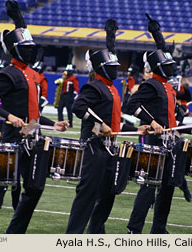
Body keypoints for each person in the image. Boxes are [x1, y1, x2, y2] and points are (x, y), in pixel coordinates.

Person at [0, 0, 68, 234]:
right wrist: (8, 116)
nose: (29, 50)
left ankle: (14, 235)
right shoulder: (8, 74)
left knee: (35, 189)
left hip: (33, 140)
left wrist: (52, 123)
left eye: (30, 47)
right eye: (25, 48)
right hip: (12, 140)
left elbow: (32, 115)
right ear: (15, 50)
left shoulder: (33, 75)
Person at [66, 19, 150, 234]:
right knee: (87, 195)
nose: (115, 69)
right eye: (111, 67)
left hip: (110, 147)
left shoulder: (111, 89)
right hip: (93, 148)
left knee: (108, 194)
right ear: (101, 69)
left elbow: (114, 123)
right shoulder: (94, 86)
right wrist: (99, 123)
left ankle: (97, 234)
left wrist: (136, 130)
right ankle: (72, 236)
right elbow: (78, 107)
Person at [125, 14, 192, 234]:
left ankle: (159, 228)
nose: (171, 68)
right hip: (154, 142)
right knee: (149, 188)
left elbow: (173, 121)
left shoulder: (168, 88)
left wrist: (190, 128)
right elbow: (131, 105)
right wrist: (151, 122)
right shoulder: (151, 84)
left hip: (170, 142)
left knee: (167, 188)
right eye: (167, 64)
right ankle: (134, 228)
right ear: (159, 68)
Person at [57, 59, 79, 128]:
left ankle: (70, 124)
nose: (68, 72)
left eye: (69, 71)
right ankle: (61, 122)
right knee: (59, 108)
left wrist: (73, 97)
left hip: (69, 96)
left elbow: (76, 89)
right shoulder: (64, 78)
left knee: (69, 110)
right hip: (63, 96)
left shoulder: (74, 78)